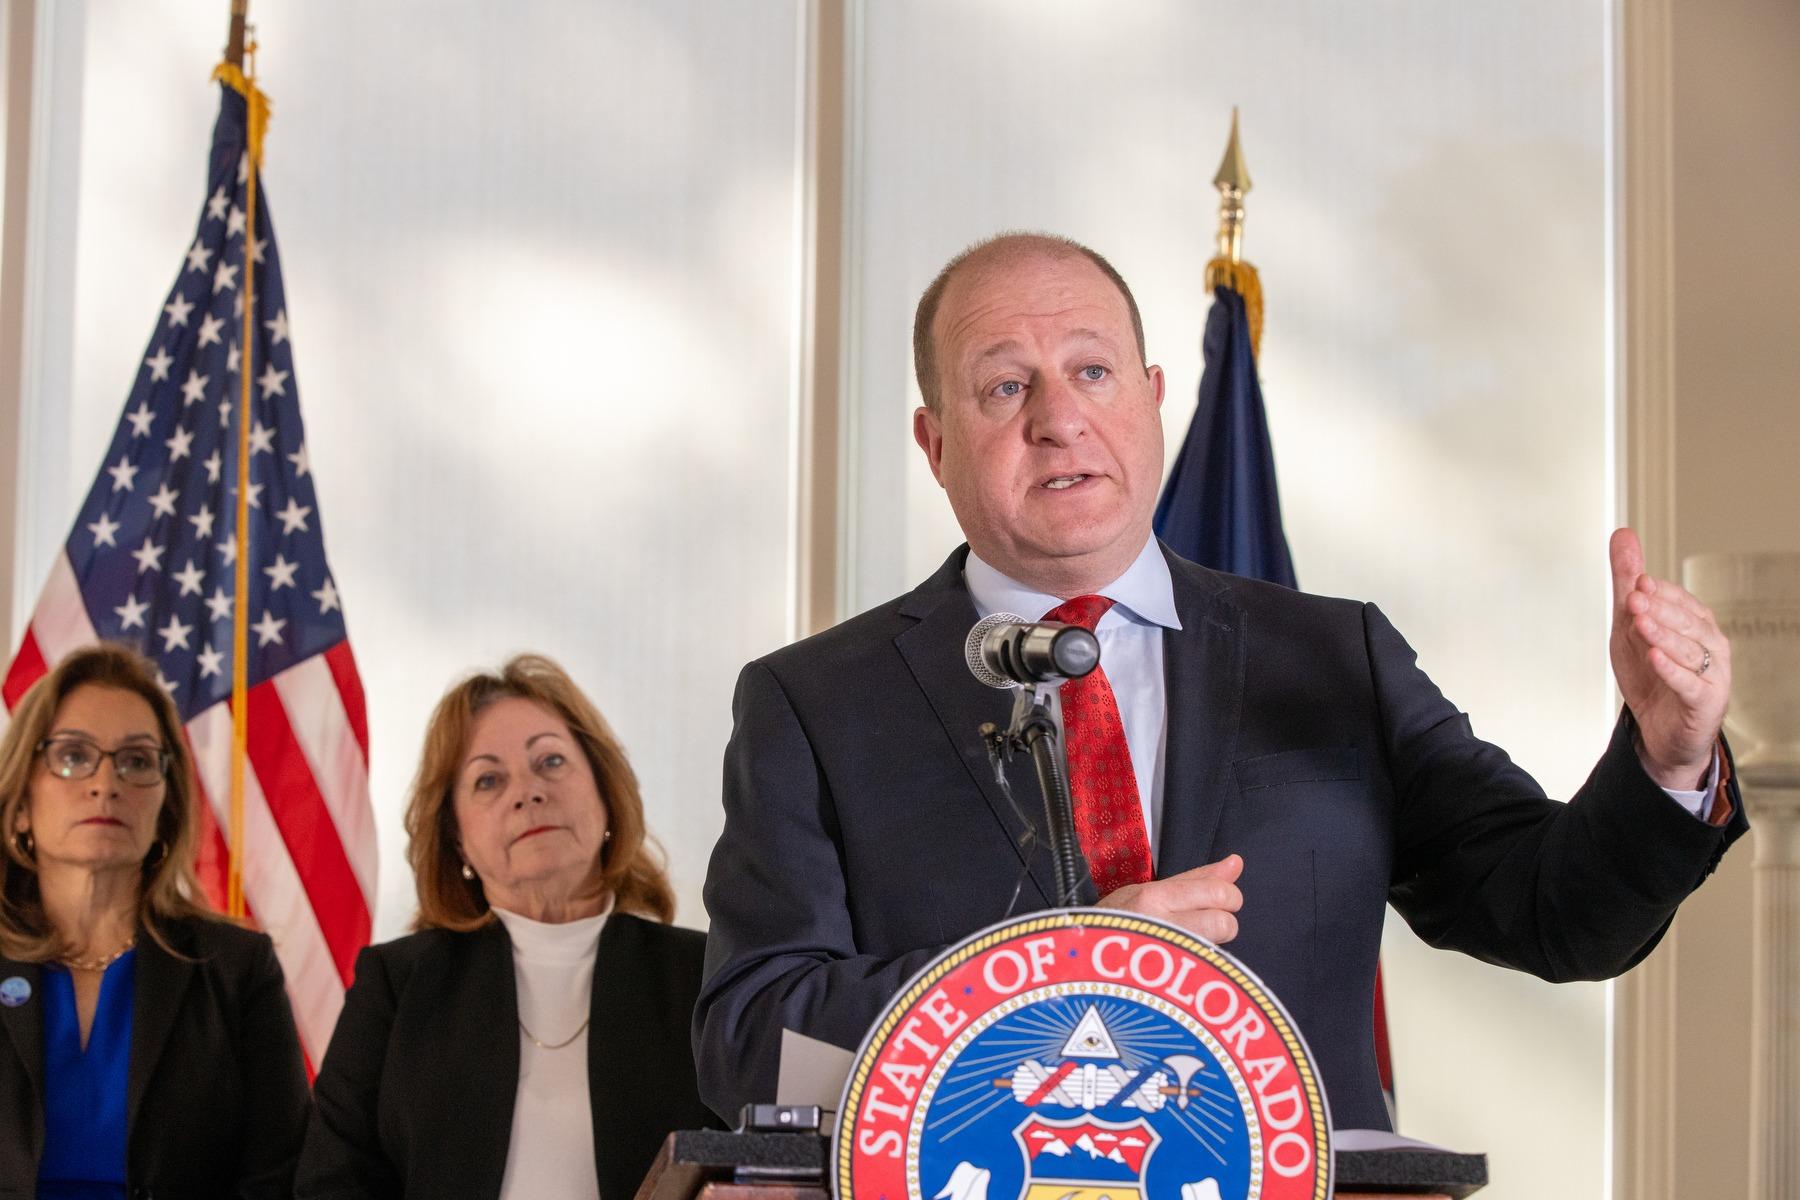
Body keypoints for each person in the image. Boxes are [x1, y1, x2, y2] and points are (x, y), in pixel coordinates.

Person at [694, 232, 1747, 1133]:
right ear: (934, 444)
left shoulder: (1337, 661)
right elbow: (753, 1039)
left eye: (1093, 372)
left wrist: (1668, 756)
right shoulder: (817, 705)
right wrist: (1061, 969)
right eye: (1005, 385)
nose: (1058, 418)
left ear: (1153, 400)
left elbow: (1551, 913)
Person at [297, 654, 721, 1200]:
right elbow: (331, 1184)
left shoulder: (704, 976)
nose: (527, 792)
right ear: (456, 838)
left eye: (550, 761)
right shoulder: (397, 986)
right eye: (488, 780)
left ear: (605, 791)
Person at [0, 642, 309, 1198]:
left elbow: (278, 1176)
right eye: (72, 755)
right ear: (21, 803)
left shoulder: (237, 970)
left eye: (137, 761)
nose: (106, 782)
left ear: (166, 806)